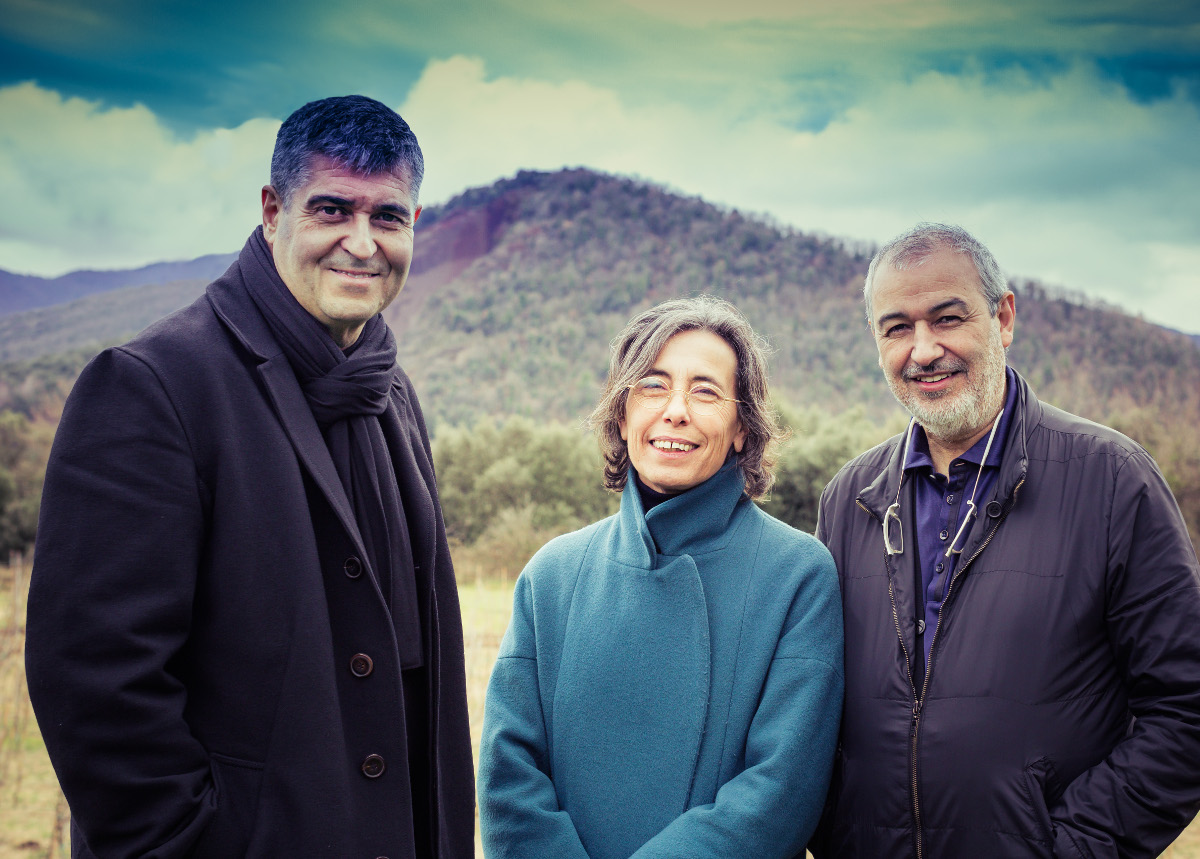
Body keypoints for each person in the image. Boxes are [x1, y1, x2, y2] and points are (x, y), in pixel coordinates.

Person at [25, 95, 474, 858]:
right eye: (332, 209)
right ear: (273, 211)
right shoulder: (151, 385)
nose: (361, 243)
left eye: (387, 217)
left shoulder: (390, 390)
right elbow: (97, 686)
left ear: (414, 225)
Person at [811, 222, 1200, 858]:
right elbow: (817, 713)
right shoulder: (849, 498)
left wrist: (1068, 850)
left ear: (1004, 317)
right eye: (897, 328)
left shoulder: (1110, 479)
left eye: (947, 318)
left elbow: (1185, 710)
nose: (924, 349)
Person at [477, 295, 843, 858]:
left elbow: (780, 790)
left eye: (705, 391)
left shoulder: (797, 574)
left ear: (743, 427)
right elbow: (509, 779)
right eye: (652, 385)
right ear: (622, 417)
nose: (676, 410)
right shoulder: (552, 575)